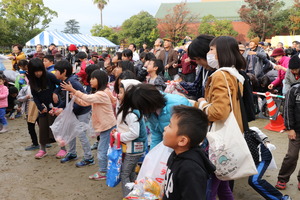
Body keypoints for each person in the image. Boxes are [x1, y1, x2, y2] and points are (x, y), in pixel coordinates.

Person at [198, 36, 247, 200]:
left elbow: (219, 112)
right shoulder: (234, 74)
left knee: (209, 188)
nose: (209, 53)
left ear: (222, 52)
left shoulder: (220, 75)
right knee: (223, 185)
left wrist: (202, 104)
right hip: (230, 135)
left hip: (218, 140)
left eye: (212, 50)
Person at [61, 70, 116, 180]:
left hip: (107, 126)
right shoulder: (101, 93)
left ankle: (103, 172)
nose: (90, 81)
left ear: (99, 80)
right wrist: (75, 98)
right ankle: (106, 169)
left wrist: (73, 91)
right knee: (106, 148)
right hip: (107, 125)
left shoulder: (102, 93)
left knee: (102, 150)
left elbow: (87, 98)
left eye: (93, 78)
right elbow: (86, 103)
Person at [163, 105, 215, 200]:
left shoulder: (191, 170)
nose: (165, 128)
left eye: (170, 126)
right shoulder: (175, 154)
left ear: (182, 141)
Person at [52, 61, 94, 167]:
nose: (55, 73)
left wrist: (66, 110)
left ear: (64, 71)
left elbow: (83, 98)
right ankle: (72, 153)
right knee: (70, 131)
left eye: (56, 71)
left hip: (83, 110)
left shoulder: (72, 82)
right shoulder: (65, 81)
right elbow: (66, 100)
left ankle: (89, 157)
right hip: (73, 111)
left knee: (81, 134)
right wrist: (58, 108)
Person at [124, 84, 191, 149]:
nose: (142, 112)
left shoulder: (178, 104)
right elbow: (156, 134)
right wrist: (152, 154)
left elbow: (189, 134)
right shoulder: (151, 112)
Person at [114, 79, 147, 197]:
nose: (118, 95)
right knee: (131, 172)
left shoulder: (131, 113)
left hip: (134, 148)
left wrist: (118, 136)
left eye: (121, 92)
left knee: (125, 173)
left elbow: (134, 133)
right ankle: (135, 194)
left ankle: (128, 196)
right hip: (133, 147)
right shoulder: (129, 110)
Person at [27, 58, 65, 159]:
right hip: (43, 107)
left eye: (40, 70)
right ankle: (43, 149)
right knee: (43, 128)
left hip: (54, 106)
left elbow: (61, 85)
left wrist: (55, 93)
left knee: (56, 127)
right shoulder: (32, 79)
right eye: (35, 71)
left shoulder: (49, 75)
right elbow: (35, 95)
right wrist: (39, 107)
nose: (38, 73)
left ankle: (63, 149)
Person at [275, 81, 300, 191]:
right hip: (296, 130)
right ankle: (282, 179)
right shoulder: (294, 90)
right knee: (291, 156)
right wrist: (290, 128)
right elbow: (288, 109)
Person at [179, 34, 215, 100]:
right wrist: (179, 85)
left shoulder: (220, 74)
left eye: (198, 59)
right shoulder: (204, 68)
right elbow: (197, 87)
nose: (197, 62)